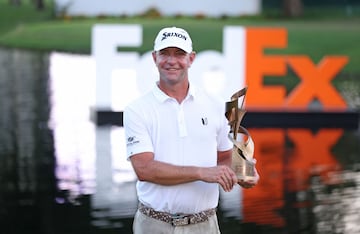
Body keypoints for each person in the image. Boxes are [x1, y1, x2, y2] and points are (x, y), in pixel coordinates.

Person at [123, 26, 259, 234]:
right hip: (154, 225)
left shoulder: (215, 105)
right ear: (154, 58)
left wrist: (244, 173)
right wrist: (202, 173)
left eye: (179, 54)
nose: (171, 61)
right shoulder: (137, 109)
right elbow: (145, 170)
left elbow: (223, 157)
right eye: (164, 53)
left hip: (205, 225)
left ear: (191, 59)